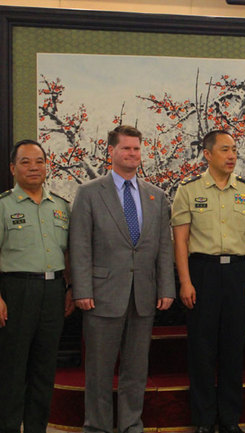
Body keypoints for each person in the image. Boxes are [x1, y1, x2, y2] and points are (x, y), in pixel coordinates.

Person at [70, 125, 175, 433]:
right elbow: (80, 245)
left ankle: (131, 424)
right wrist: (82, 290)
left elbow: (163, 248)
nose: (132, 154)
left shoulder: (157, 196)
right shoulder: (89, 193)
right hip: (101, 295)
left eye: (137, 149)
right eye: (126, 148)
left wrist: (166, 287)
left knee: (135, 369)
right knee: (100, 371)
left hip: (143, 295)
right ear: (111, 152)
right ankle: (98, 427)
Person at [171, 130, 245, 433]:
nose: (231, 156)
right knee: (201, 349)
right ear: (207, 154)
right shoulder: (188, 189)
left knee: (233, 349)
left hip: (239, 274)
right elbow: (181, 241)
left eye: (235, 150)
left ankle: (229, 420)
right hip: (203, 273)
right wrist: (185, 282)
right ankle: (202, 420)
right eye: (225, 150)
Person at [0, 139, 74, 433]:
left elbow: (69, 253)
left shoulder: (61, 207)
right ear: (12, 168)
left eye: (39, 161)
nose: (34, 167)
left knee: (45, 369)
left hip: (53, 292)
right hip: (16, 292)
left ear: (47, 166)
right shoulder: (4, 206)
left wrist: (70, 287)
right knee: (13, 370)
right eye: (26, 162)